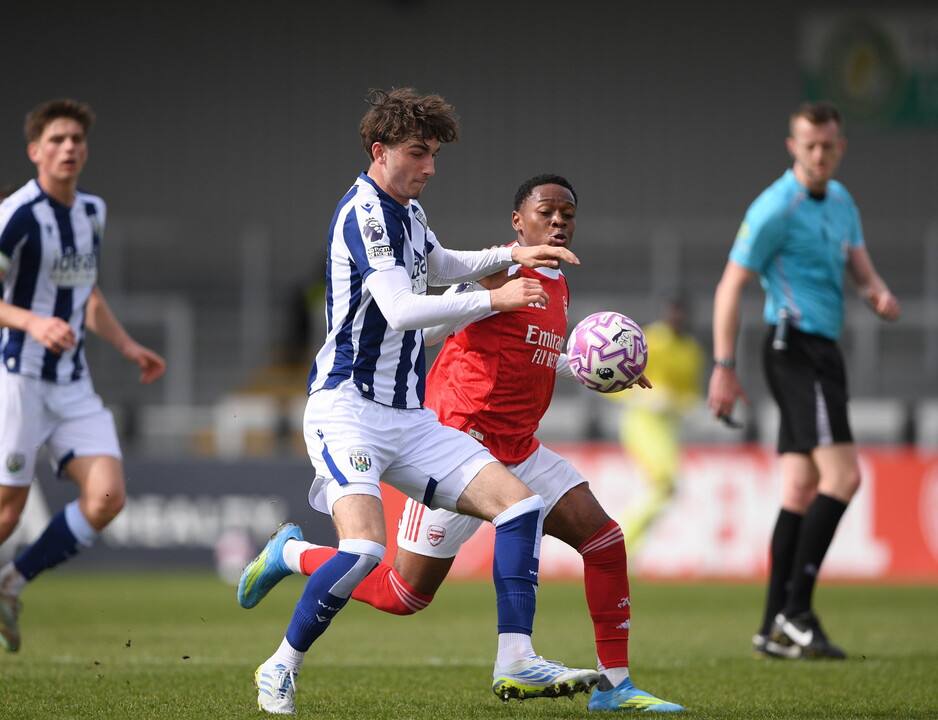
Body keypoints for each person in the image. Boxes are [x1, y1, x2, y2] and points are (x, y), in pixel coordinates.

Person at [240, 173, 685, 713]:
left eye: (568, 213)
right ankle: (293, 554)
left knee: (604, 540)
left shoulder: (557, 285)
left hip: (518, 446)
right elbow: (417, 328)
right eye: (547, 211)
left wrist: (596, 369)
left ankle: (615, 688)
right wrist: (484, 301)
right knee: (404, 595)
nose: (559, 221)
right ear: (518, 222)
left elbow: (535, 355)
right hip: (457, 438)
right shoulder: (493, 274)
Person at [246, 90, 596, 715]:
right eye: (418, 153)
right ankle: (281, 664)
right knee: (364, 552)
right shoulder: (365, 214)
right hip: (347, 408)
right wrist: (496, 297)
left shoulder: (409, 214)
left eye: (433, 154)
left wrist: (510, 255)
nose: (430, 167)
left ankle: (517, 661)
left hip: (408, 418)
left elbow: (441, 263)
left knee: (521, 509)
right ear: (380, 153)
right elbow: (403, 310)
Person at [707, 101, 900, 660]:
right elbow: (729, 286)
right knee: (844, 479)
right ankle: (798, 612)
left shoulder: (841, 203)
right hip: (795, 349)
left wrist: (876, 293)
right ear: (793, 147)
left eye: (828, 145)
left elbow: (860, 269)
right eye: (809, 145)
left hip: (823, 351)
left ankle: (770, 627)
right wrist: (723, 366)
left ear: (841, 147)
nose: (819, 155)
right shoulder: (774, 208)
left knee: (799, 487)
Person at [0, 99, 166, 652]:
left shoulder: (92, 211)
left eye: (76, 139)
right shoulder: (18, 215)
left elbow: (85, 291)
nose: (69, 147)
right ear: (35, 151)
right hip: (19, 378)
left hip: (72, 384)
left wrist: (125, 344)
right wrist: (32, 323)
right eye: (57, 139)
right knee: (8, 512)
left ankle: (11, 585)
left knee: (108, 497)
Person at [606, 296, 704, 554]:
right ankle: (618, 544)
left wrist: (683, 405)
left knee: (666, 490)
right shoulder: (649, 341)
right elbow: (608, 378)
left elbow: (688, 393)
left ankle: (625, 547)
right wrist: (641, 397)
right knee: (664, 485)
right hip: (642, 422)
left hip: (668, 428)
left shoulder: (691, 350)